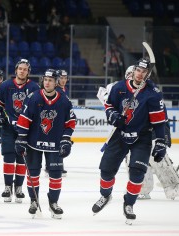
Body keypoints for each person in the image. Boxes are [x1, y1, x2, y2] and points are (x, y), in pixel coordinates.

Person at [92, 58, 167, 225]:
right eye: (138, 71)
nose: (140, 74)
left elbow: (158, 120)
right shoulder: (119, 87)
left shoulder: (153, 92)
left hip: (142, 137)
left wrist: (161, 141)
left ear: (148, 74)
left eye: (144, 72)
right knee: (106, 170)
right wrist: (112, 116)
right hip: (120, 134)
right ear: (133, 71)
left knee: (137, 173)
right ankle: (105, 195)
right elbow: (109, 106)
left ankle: (129, 204)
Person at [16, 68, 76, 219]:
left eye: (51, 80)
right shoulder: (33, 98)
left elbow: (70, 122)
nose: (47, 83)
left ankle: (53, 202)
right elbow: (24, 119)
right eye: (46, 80)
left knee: (56, 175)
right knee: (34, 173)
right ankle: (34, 201)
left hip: (55, 144)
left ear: (56, 83)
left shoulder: (64, 100)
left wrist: (66, 140)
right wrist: (21, 138)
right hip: (33, 143)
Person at [0, 58, 40, 203]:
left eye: (25, 69)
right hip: (8, 128)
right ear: (16, 70)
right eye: (20, 68)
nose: (22, 71)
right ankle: (8, 187)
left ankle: (18, 187)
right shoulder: (6, 85)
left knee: (21, 158)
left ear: (28, 72)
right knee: (8, 157)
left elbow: (38, 106)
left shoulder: (34, 87)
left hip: (26, 130)